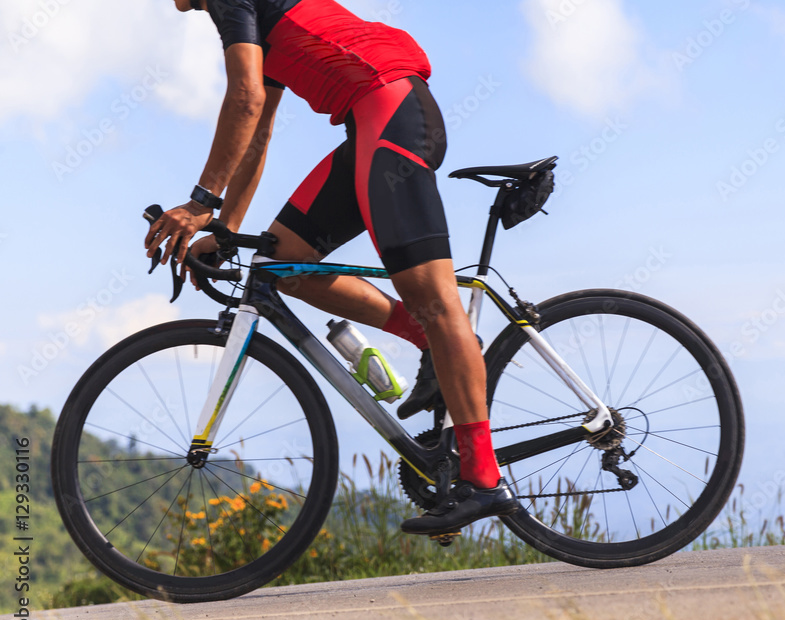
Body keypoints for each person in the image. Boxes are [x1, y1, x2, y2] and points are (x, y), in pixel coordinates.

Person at [145, 0, 518, 535]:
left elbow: (244, 98)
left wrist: (201, 201)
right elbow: (258, 133)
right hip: (374, 120)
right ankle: (426, 339)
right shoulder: (253, 18)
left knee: (435, 299)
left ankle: (484, 480)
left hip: (391, 112)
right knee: (282, 264)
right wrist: (224, 229)